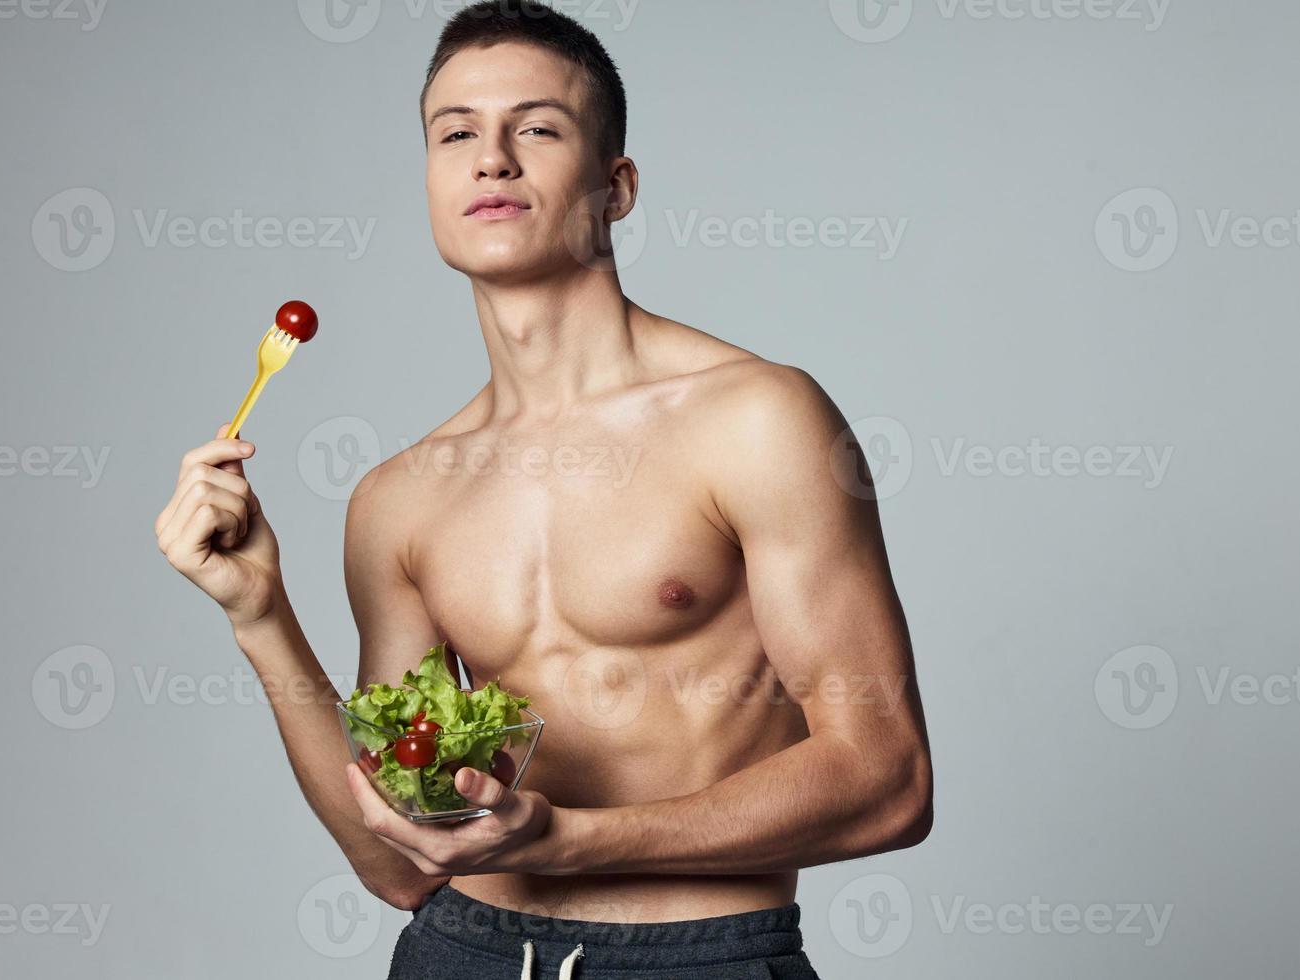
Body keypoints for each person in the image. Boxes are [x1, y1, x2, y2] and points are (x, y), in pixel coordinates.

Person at [154, 2, 933, 976]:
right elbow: (397, 859)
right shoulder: (400, 498)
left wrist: (569, 840)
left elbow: (888, 777)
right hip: (460, 950)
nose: (492, 157)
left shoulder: (756, 419)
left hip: (694, 958)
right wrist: (260, 614)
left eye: (536, 127)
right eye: (456, 133)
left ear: (617, 185)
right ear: (431, 180)